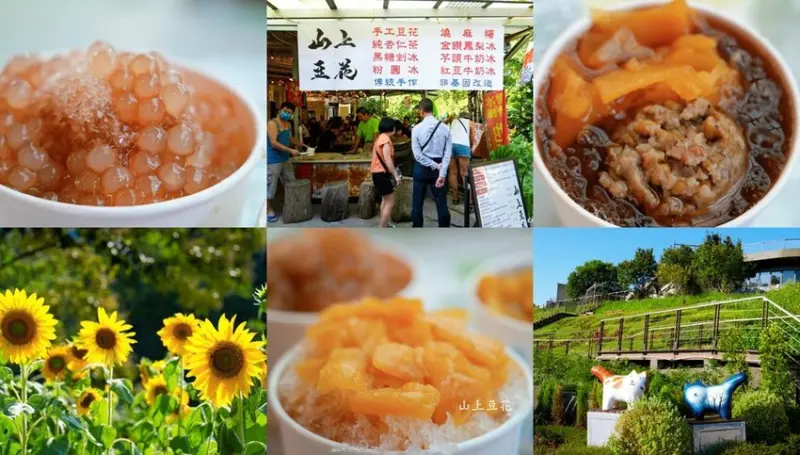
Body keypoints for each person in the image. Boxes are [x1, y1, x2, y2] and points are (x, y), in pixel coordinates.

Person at [411, 98, 452, 227]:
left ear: (421, 111)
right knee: (441, 203)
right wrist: (442, 172)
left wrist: (433, 165)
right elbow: (447, 154)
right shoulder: (445, 129)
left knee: (417, 203)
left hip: (421, 168)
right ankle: (444, 232)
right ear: (432, 110)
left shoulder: (416, 129)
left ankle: (418, 231)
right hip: (439, 168)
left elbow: (418, 155)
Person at [267, 102, 305, 223]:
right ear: (279, 110)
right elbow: (273, 142)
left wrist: (302, 144)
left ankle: (291, 207)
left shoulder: (287, 123)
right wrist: (291, 150)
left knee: (291, 183)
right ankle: (268, 210)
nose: (287, 114)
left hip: (285, 159)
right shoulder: (272, 124)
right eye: (285, 111)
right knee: (270, 186)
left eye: (289, 113)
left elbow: (289, 138)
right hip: (273, 160)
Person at [371, 117, 402, 228]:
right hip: (382, 174)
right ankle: (382, 228)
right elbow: (388, 161)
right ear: (392, 128)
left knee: (385, 200)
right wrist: (396, 176)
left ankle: (385, 224)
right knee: (390, 202)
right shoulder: (386, 141)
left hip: (377, 174)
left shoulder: (380, 138)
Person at [447, 112, 475, 205]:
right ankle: (470, 201)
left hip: (450, 145)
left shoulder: (454, 121)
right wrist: (469, 147)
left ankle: (455, 198)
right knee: (465, 174)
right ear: (469, 117)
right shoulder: (471, 123)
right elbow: (472, 139)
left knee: (452, 172)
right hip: (463, 146)